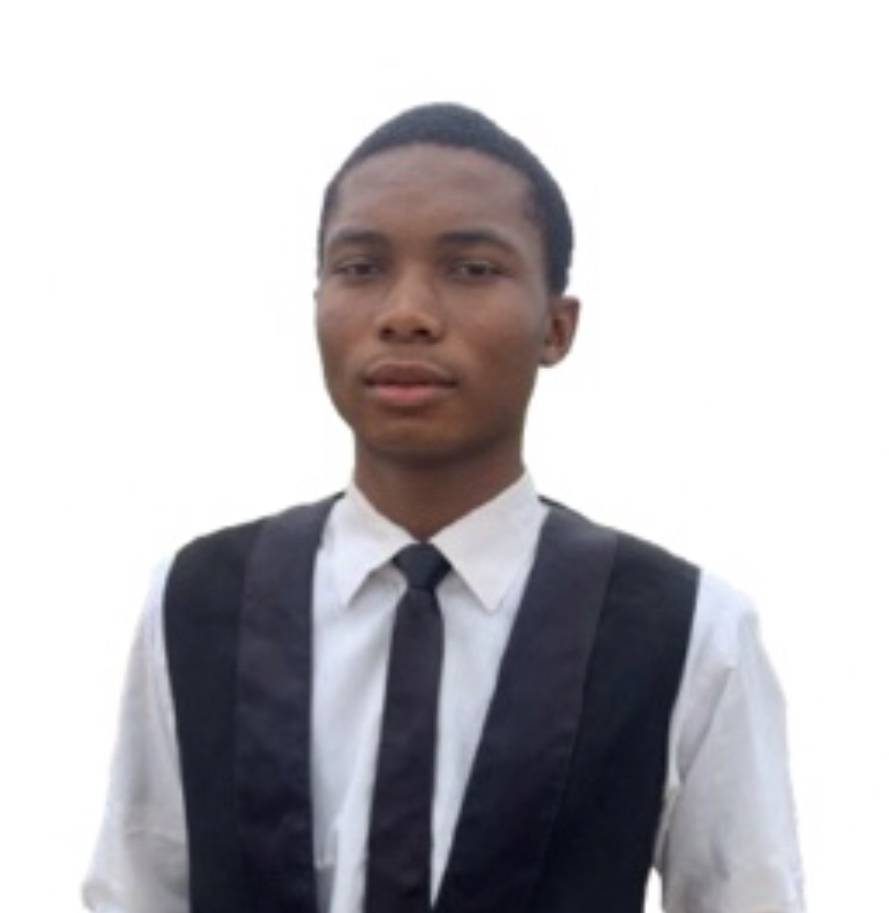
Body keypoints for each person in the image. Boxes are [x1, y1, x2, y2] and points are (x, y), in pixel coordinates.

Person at [83, 103, 805, 913]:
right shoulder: (199, 599)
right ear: (317, 301)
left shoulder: (685, 627)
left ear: (556, 327)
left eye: (471, 269)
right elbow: (134, 890)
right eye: (361, 267)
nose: (406, 313)